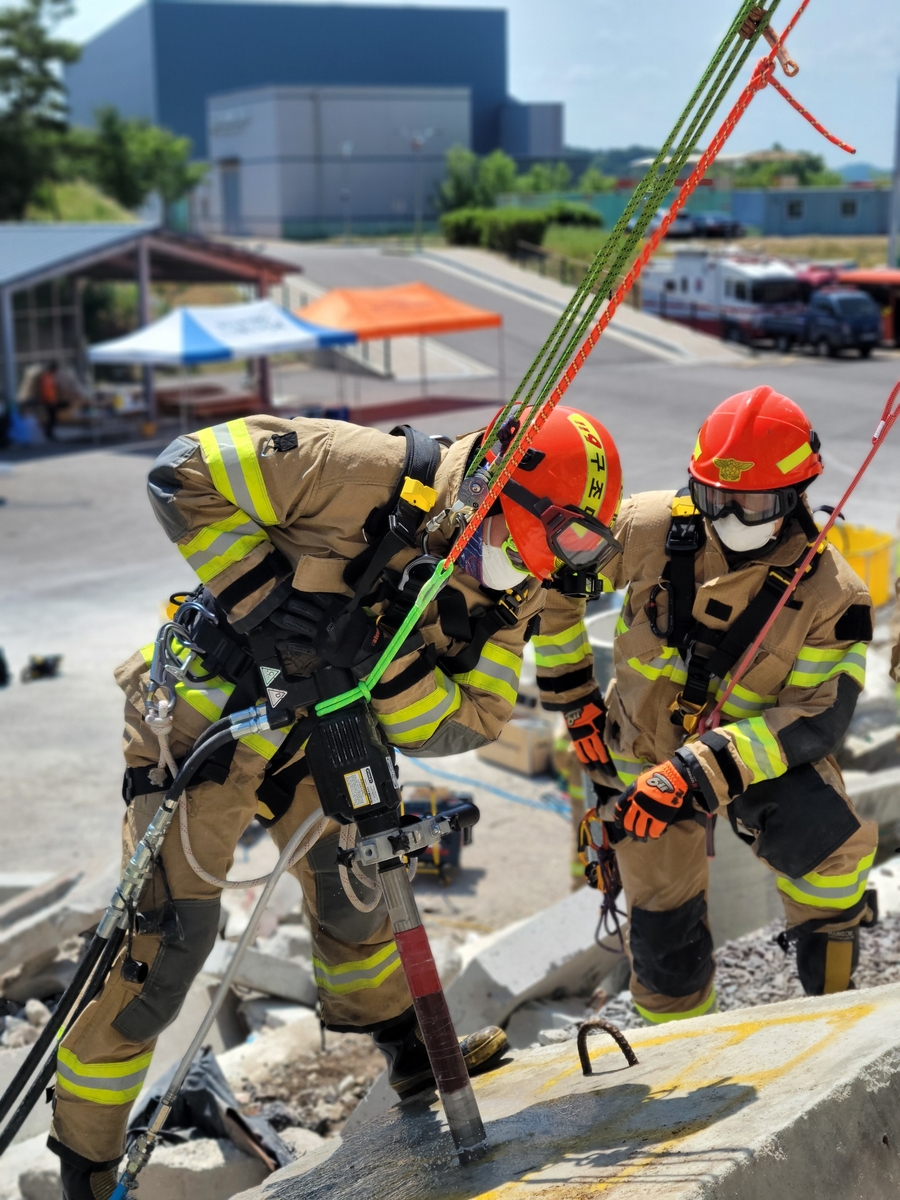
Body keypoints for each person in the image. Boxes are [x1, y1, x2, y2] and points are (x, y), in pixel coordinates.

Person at [48, 407, 624, 1199]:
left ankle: (410, 1053)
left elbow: (468, 720)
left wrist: (386, 671)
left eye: (548, 560)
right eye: (520, 545)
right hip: (201, 718)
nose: (524, 574)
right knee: (170, 945)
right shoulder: (355, 468)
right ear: (488, 489)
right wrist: (266, 605)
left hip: (317, 728)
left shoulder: (517, 579)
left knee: (361, 889)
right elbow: (181, 471)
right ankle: (84, 1162)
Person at [589, 385, 877, 1026]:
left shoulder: (835, 596)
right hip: (646, 754)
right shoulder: (647, 528)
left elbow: (816, 718)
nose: (732, 517)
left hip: (759, 757)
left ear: (797, 494)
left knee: (832, 853)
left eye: (754, 503)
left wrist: (697, 771)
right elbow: (551, 577)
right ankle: (678, 1046)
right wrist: (572, 696)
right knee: (664, 938)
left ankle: (833, 1011)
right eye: (717, 497)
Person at [37, 362, 60, 440]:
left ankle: (50, 433)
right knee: (51, 418)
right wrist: (49, 400)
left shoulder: (51, 376)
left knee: (53, 418)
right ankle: (49, 434)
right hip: (48, 401)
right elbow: (46, 391)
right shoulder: (47, 377)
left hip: (51, 400)